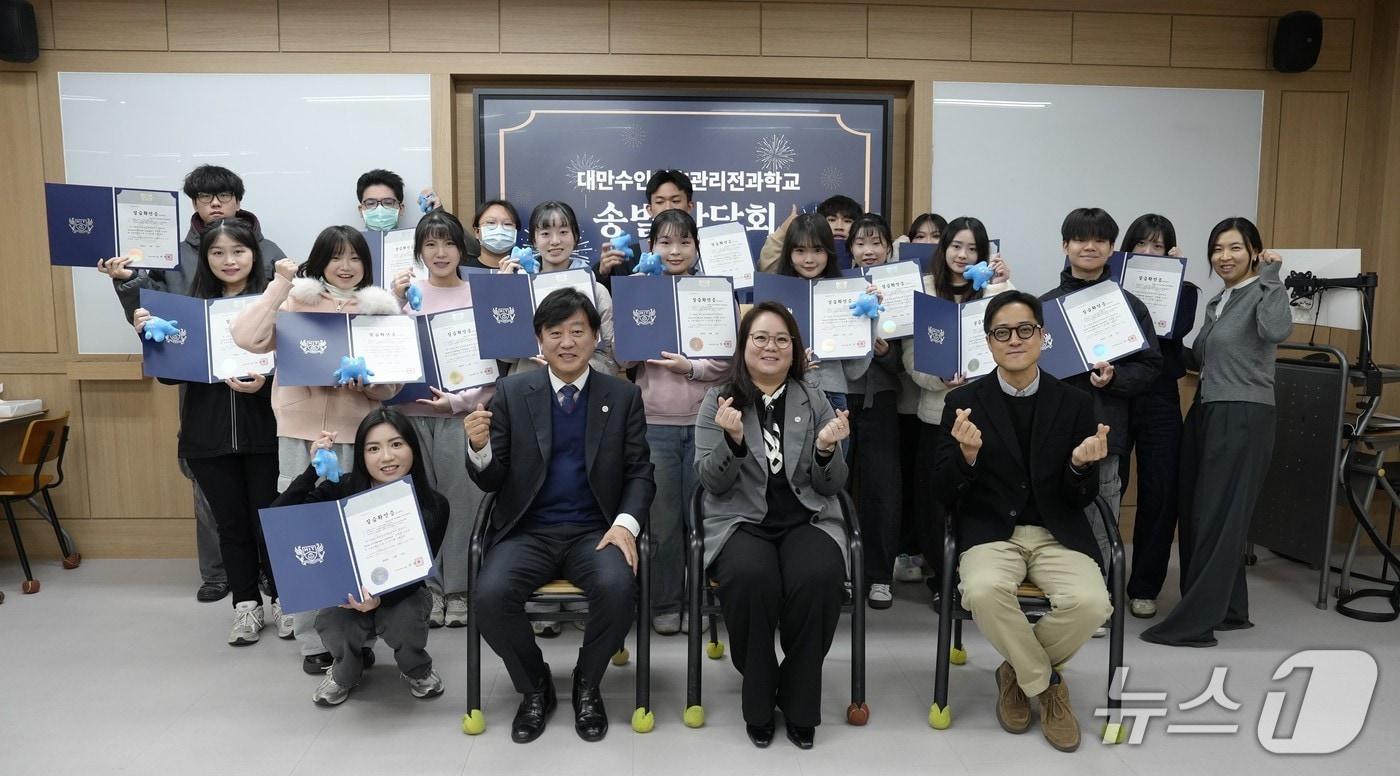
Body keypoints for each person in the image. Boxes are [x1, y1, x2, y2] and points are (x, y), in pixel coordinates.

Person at [465, 288, 655, 743]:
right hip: (527, 530)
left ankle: (588, 684)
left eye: (577, 331)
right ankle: (535, 686)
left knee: (617, 587)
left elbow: (640, 474)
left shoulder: (622, 395)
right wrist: (478, 448)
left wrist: (625, 526)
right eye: (555, 333)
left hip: (596, 530)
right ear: (539, 341)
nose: (566, 342)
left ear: (595, 339)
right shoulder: (511, 393)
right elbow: (493, 481)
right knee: (489, 595)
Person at [933, 290, 1113, 753]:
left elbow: (1084, 496)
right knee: (983, 591)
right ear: (988, 342)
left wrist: (1079, 466)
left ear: (1042, 337)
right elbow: (942, 492)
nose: (1015, 340)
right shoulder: (963, 401)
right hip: (992, 533)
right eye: (1002, 333)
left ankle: (1016, 672)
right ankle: (1048, 686)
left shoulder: (1073, 402)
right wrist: (967, 458)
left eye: (1025, 330)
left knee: (1093, 603)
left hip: (1057, 535)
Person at [98, 163, 287, 604]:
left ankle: (271, 584)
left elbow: (286, 323)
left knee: (268, 502)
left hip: (263, 396)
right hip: (203, 388)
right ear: (194, 205)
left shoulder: (271, 248)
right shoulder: (167, 249)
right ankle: (221, 575)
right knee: (215, 497)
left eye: (223, 195)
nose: (215, 203)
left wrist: (268, 376)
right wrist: (130, 289)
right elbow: (153, 314)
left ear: (239, 200)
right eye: (205, 197)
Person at [230, 225, 403, 673]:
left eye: (355, 258)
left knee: (354, 538)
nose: (345, 267)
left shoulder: (380, 310)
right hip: (299, 437)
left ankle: (354, 637)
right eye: (335, 257)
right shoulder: (296, 301)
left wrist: (369, 382)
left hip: (354, 436)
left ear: (367, 265)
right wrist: (279, 285)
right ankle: (312, 641)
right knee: (304, 535)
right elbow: (246, 338)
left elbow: (391, 385)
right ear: (320, 261)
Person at [694, 301, 851, 750]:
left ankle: (800, 703)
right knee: (749, 578)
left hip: (806, 517)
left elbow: (833, 483)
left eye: (782, 339)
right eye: (760, 338)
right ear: (744, 347)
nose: (771, 347)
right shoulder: (719, 399)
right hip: (740, 519)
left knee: (818, 577)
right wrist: (734, 443)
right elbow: (710, 482)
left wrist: (825, 451)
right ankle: (760, 696)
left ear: (794, 349)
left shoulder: (813, 397)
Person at [130, 219, 280, 645]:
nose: (229, 261)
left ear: (255, 254)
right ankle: (246, 607)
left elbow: (298, 368)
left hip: (266, 433)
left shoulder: (274, 305)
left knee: (272, 520)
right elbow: (168, 379)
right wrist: (153, 337)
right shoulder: (188, 310)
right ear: (206, 259)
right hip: (207, 438)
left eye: (238, 251)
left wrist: (264, 383)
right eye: (218, 253)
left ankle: (287, 601)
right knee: (229, 526)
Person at [1141, 218, 1290, 648]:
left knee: (1218, 518)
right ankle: (1228, 609)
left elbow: (1277, 330)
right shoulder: (1219, 301)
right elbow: (1200, 358)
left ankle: (1194, 622)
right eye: (1217, 249)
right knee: (1198, 511)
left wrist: (1272, 276)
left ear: (1255, 252)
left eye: (1235, 248)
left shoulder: (1263, 290)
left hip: (1243, 412)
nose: (1224, 256)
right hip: (1207, 409)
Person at [273, 408, 448, 706]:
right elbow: (281, 517)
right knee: (335, 622)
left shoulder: (433, 504)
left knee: (405, 621)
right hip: (347, 593)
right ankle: (345, 671)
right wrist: (312, 470)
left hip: (402, 592)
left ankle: (416, 667)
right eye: (373, 448)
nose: (387, 457)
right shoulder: (342, 488)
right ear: (361, 455)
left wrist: (380, 599)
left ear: (412, 449)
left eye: (396, 444)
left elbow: (417, 570)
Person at [614, 209, 729, 635]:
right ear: (651, 247)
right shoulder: (638, 291)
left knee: (703, 517)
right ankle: (665, 602)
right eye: (665, 241)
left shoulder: (714, 292)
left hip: (705, 423)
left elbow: (727, 361)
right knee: (661, 521)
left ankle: (702, 602)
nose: (675, 250)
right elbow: (622, 359)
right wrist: (636, 339)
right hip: (655, 423)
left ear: (697, 247)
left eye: (684, 241)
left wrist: (689, 368)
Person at [1039, 208, 1162, 576]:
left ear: (1112, 249)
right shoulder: (1043, 306)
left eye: (1099, 240)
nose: (1089, 246)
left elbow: (1151, 368)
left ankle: (1098, 599)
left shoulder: (1128, 306)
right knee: (1048, 518)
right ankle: (1054, 594)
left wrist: (1114, 379)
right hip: (1050, 432)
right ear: (1065, 245)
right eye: (1080, 238)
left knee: (1101, 515)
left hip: (1104, 431)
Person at [388, 210, 494, 628]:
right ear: (418, 252)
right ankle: (428, 590)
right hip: (406, 418)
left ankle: (461, 590)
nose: (440, 252)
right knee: (417, 502)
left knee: (461, 500)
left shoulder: (478, 295)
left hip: (460, 415)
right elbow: (384, 354)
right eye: (430, 244)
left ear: (461, 248)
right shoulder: (403, 297)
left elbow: (491, 373)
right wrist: (394, 305)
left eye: (448, 243)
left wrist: (455, 403)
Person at [898, 216, 1013, 589]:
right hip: (937, 413)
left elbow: (1019, 338)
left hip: (990, 413)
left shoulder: (994, 290)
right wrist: (939, 378)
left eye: (972, 249)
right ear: (943, 249)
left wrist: (1002, 284)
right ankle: (941, 579)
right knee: (935, 501)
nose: (963, 256)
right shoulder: (926, 290)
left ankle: (977, 577)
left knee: (980, 500)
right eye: (956, 246)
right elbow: (912, 356)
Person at [1115, 214, 1200, 619]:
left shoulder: (1185, 291)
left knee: (1160, 490)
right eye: (1142, 245)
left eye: (1159, 247)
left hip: (1160, 395)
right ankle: (1099, 582)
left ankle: (1145, 586)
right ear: (1126, 250)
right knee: (1108, 486)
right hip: (1114, 392)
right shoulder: (1108, 284)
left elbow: (1176, 331)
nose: (1150, 253)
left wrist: (1175, 280)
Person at [841, 213, 904, 609]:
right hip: (838, 399)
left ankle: (880, 576)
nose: (869, 250)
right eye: (860, 243)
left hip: (882, 400)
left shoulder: (901, 287)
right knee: (837, 488)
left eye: (876, 242)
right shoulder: (835, 288)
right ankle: (844, 573)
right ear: (849, 250)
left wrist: (886, 353)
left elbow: (913, 363)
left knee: (883, 489)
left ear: (888, 248)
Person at [595, 169, 695, 284]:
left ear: (690, 206)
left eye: (675, 200)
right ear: (649, 209)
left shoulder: (707, 256)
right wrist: (603, 274)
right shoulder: (629, 257)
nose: (668, 208)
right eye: (660, 202)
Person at [758, 194, 863, 272]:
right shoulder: (802, 260)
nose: (839, 227)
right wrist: (783, 231)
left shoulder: (863, 257)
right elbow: (767, 271)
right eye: (831, 220)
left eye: (847, 221)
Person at [470, 198, 523, 271]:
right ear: (477, 232)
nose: (499, 229)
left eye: (507, 224)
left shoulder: (524, 270)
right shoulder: (461, 271)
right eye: (491, 223)